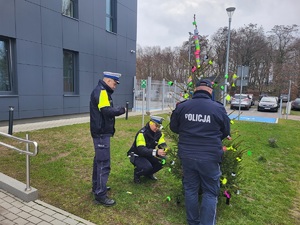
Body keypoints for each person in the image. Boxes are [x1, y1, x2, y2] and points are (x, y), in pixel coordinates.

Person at [170, 79, 231, 225]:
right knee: (210, 192)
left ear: (196, 89)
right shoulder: (218, 108)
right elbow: (225, 131)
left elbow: (174, 127)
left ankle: (193, 222)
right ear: (210, 90)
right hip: (210, 157)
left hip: (187, 156)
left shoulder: (183, 107)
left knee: (190, 189)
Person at [90, 71, 126, 206]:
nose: (115, 86)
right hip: (101, 133)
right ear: (109, 81)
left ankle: (97, 187)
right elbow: (106, 111)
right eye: (115, 83)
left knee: (98, 161)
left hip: (100, 132)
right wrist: (120, 110)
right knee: (103, 164)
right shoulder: (102, 92)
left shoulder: (101, 91)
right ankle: (100, 194)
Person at [127, 116, 167, 184]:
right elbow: (141, 150)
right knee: (147, 167)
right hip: (137, 155)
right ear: (151, 123)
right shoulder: (142, 133)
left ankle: (148, 174)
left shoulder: (159, 133)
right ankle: (137, 173)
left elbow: (162, 144)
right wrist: (156, 152)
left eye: (159, 126)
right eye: (156, 126)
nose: (157, 128)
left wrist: (165, 151)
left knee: (163, 162)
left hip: (149, 154)